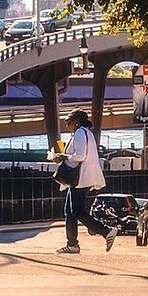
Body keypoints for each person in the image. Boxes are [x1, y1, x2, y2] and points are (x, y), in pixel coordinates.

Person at [52, 109, 118, 255]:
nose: (67, 125)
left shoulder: (81, 133)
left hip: (81, 178)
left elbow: (80, 156)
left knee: (77, 211)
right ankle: (72, 244)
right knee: (69, 211)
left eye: (69, 122)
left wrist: (63, 156)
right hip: (82, 178)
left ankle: (106, 231)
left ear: (76, 122)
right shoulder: (86, 133)